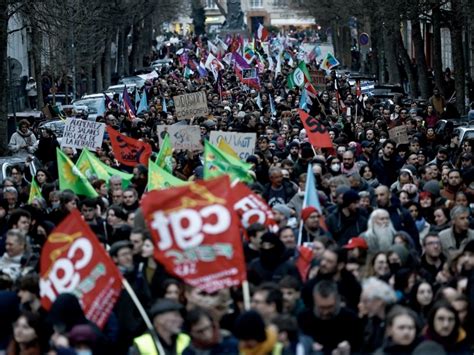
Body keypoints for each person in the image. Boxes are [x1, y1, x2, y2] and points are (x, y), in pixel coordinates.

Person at [298, 280, 362, 354]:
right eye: (321, 307)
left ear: (337, 300)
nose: (325, 312)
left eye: (330, 307)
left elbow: (359, 348)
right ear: (314, 301)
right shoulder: (304, 319)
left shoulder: (351, 319)